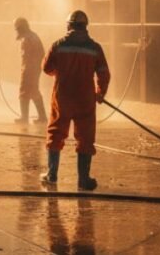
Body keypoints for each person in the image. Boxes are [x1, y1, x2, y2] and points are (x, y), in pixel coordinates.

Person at [41, 10, 110, 190]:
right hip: (85, 98)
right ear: (85, 27)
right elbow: (103, 73)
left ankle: (52, 175)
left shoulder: (58, 45)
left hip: (62, 96)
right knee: (86, 137)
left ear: (69, 25)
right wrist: (100, 92)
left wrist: (61, 73)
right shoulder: (95, 48)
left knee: (56, 133)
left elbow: (47, 68)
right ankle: (83, 179)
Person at [14, 17, 48, 124]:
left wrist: (27, 70)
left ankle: (24, 117)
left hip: (29, 68)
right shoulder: (33, 36)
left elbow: (27, 56)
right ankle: (42, 117)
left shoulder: (27, 38)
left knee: (24, 91)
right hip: (35, 68)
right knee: (33, 91)